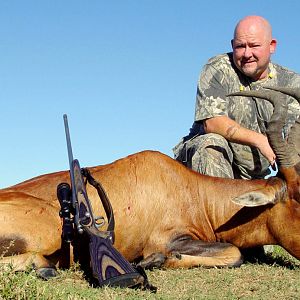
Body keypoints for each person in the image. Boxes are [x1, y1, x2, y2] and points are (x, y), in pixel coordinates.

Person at [173, 15, 300, 180]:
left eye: (254, 45)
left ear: (272, 46)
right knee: (211, 145)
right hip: (205, 167)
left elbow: (293, 137)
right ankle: (220, 205)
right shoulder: (218, 69)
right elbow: (212, 122)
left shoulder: (291, 82)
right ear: (232, 45)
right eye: (240, 46)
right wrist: (259, 140)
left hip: (255, 176)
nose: (247, 54)